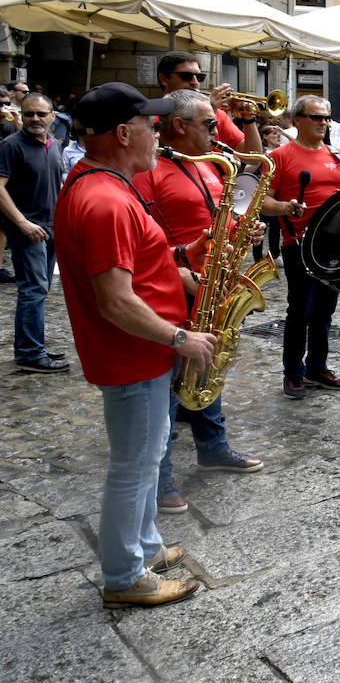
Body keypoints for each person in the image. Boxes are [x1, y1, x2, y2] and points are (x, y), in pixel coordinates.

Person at [55, 82, 216, 608]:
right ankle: (125, 576)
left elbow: (138, 260)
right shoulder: (103, 199)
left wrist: (187, 254)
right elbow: (116, 302)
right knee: (134, 466)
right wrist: (181, 337)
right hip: (133, 355)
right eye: (152, 125)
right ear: (124, 134)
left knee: (146, 459)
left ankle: (145, 545)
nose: (159, 134)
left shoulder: (105, 185)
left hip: (140, 355)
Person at [131, 89, 265, 514]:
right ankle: (161, 476)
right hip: (174, 288)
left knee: (210, 364)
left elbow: (223, 216)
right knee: (171, 382)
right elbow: (138, 242)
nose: (217, 130)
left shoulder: (212, 165)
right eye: (209, 123)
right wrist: (176, 272)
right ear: (179, 127)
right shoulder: (149, 171)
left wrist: (246, 233)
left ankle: (213, 446)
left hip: (213, 284)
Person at [259, 96, 340, 400]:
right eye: (316, 117)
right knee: (300, 310)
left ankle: (317, 367)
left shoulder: (336, 155)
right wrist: (286, 207)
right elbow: (263, 201)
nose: (323, 123)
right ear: (297, 120)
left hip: (332, 245)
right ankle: (293, 372)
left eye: (327, 118)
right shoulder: (281, 156)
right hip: (298, 244)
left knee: (325, 310)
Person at [0, 91, 68, 372]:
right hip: (28, 228)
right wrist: (22, 223)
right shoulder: (11, 146)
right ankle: (29, 354)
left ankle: (34, 346)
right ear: (21, 115)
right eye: (29, 114)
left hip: (51, 227)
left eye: (41, 114)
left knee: (41, 289)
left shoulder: (53, 145)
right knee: (32, 290)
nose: (35, 119)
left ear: (53, 116)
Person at [156, 52, 261, 156]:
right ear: (164, 79)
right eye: (186, 76)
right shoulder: (153, 115)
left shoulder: (220, 115)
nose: (195, 82)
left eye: (199, 77)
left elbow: (252, 157)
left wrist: (248, 119)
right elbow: (185, 149)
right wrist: (209, 110)